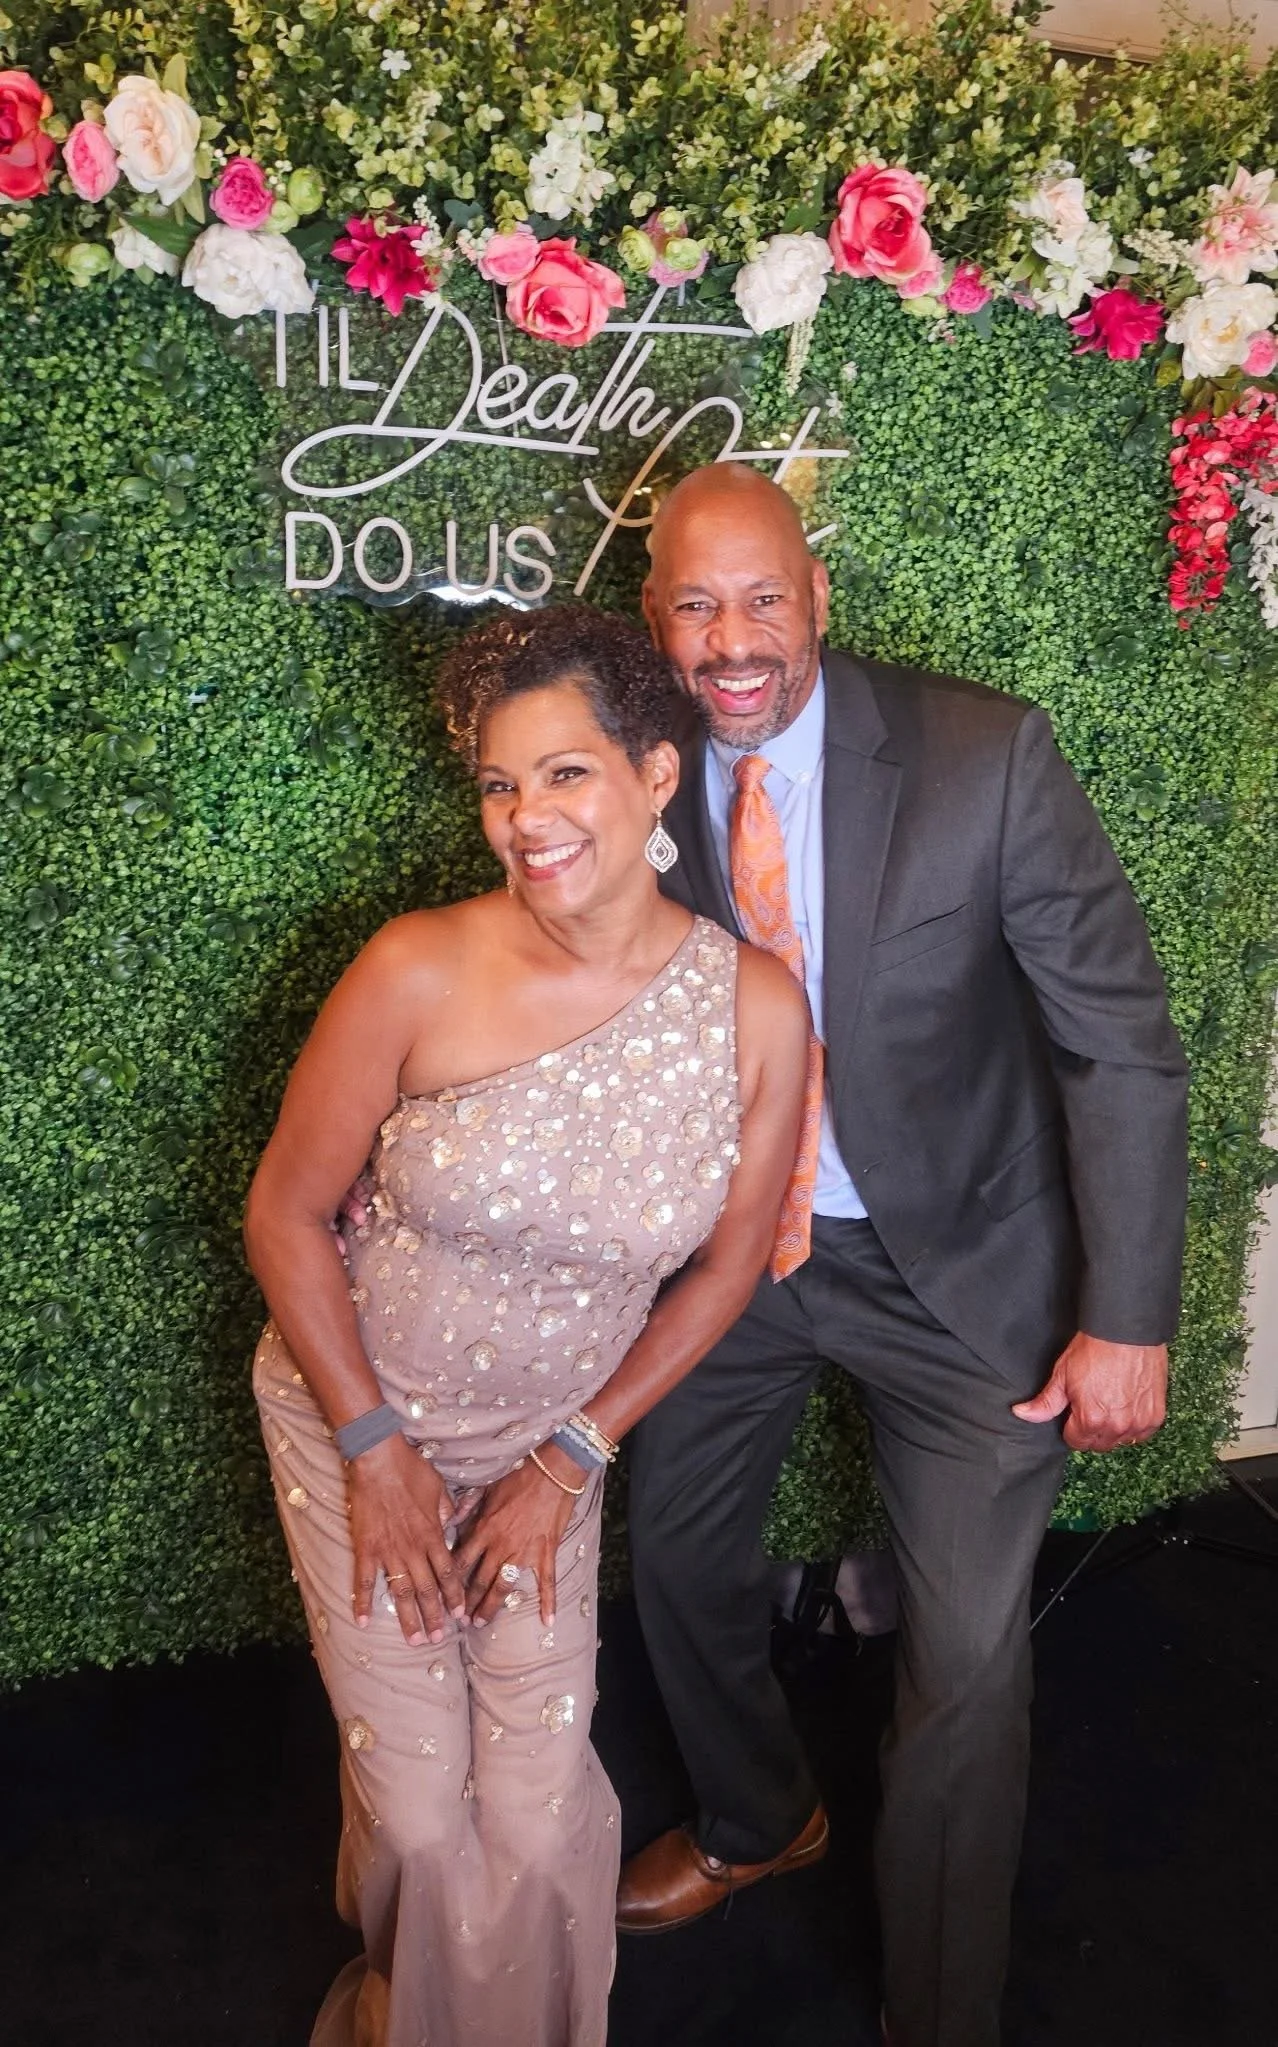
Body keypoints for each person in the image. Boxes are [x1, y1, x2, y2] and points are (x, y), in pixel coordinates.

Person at [615, 464, 1190, 2047]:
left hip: (962, 1265)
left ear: (816, 596)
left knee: (962, 1662)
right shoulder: (624, 769)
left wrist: (1125, 1315)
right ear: (651, 614)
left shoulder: (978, 755)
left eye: (761, 600)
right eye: (691, 603)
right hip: (739, 1254)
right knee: (668, 1548)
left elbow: (1120, 1046)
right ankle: (756, 1814)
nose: (731, 640)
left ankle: (939, 2013)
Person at [243, 603, 808, 2047]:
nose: (524, 817)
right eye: (499, 783)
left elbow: (730, 1265)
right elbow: (284, 1216)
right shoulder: (415, 965)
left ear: (655, 776)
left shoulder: (751, 1007)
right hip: (354, 1417)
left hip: (551, 1447)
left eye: (563, 773)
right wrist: (372, 1450)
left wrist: (569, 1457)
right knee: (431, 1820)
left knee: (542, 1802)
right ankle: (402, 2001)